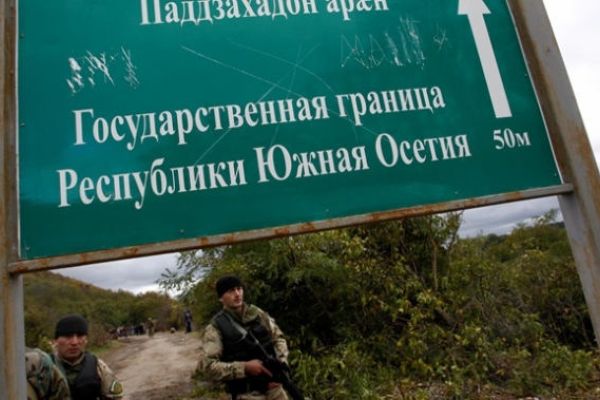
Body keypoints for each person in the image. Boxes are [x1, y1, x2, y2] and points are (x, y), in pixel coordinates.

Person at [198, 275, 296, 400]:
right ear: (221, 298)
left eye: (239, 289)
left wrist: (281, 360)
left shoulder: (257, 313)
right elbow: (209, 367)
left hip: (274, 389)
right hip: (247, 394)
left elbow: (278, 338)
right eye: (231, 291)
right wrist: (244, 367)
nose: (237, 294)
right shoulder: (215, 327)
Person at [51, 314, 123, 400]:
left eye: (80, 336)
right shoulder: (44, 368)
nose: (74, 342)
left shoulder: (98, 367)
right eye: (68, 336)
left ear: (86, 340)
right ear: (55, 341)